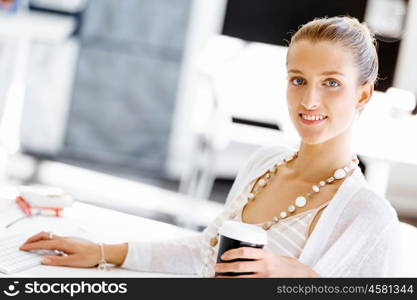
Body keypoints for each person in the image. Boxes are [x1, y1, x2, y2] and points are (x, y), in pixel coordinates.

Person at [20, 16, 404, 277]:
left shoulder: (369, 217)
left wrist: (291, 275)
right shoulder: (264, 164)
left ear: (363, 95)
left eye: (332, 83)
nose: (309, 101)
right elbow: (204, 253)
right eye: (298, 80)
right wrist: (103, 252)